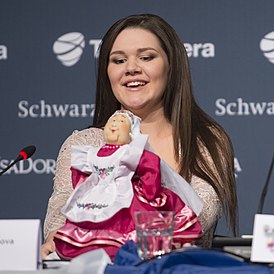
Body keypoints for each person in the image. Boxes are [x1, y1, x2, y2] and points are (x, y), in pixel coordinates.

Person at [41, 13, 238, 259]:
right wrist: (59, 237)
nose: (131, 68)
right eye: (118, 60)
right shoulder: (83, 144)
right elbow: (60, 219)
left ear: (171, 65)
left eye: (146, 57)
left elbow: (194, 220)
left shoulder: (207, 142)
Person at [53, 110, 202, 260]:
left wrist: (151, 192)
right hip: (98, 194)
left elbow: (150, 167)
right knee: (89, 219)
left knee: (131, 221)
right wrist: (84, 192)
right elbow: (79, 173)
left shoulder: (129, 152)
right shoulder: (92, 154)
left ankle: (125, 248)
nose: (115, 124)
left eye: (121, 122)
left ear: (131, 132)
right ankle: (91, 247)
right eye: (112, 120)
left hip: (126, 193)